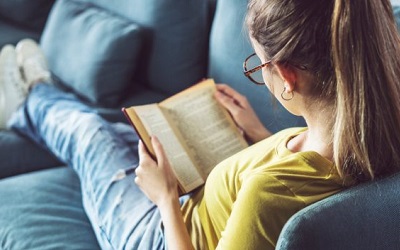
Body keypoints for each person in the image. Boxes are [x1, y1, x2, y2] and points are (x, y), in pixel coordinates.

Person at [1, 0, 400, 249]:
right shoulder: (373, 134)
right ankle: (37, 95)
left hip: (161, 233)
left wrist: (164, 198)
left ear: (286, 76)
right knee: (123, 132)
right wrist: (260, 136)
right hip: (198, 207)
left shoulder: (268, 195)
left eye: (259, 66)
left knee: (91, 136)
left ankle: (29, 96)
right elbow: (299, 179)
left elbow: (277, 193)